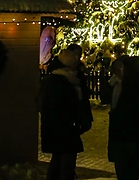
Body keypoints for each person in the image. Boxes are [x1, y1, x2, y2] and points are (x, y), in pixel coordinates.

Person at [39, 49, 93, 180]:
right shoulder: (58, 81)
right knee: (64, 162)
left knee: (60, 160)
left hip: (64, 128)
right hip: (63, 128)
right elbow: (58, 106)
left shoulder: (71, 79)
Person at [108, 55, 139, 180]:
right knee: (128, 167)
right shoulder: (122, 84)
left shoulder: (131, 87)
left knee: (127, 166)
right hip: (129, 132)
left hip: (127, 132)